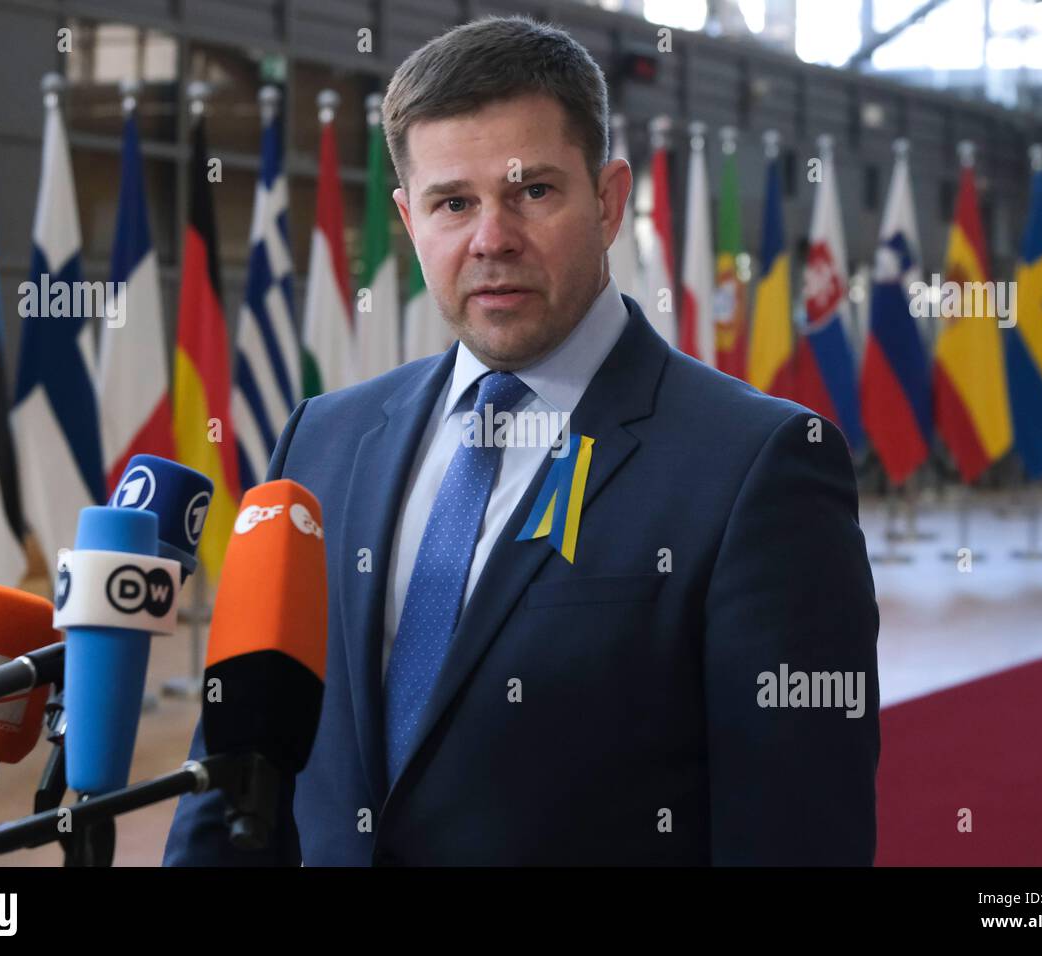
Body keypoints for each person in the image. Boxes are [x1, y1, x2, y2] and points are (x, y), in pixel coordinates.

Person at [165, 14, 879, 866]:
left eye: (533, 192)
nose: (491, 238)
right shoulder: (323, 442)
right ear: (408, 216)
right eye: (453, 202)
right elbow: (232, 771)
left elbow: (794, 840)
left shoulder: (756, 467)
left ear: (610, 201)